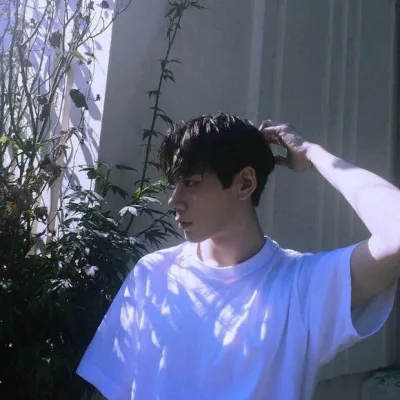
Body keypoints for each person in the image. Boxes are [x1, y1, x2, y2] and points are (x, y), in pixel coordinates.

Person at [77, 112, 400, 400]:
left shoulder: (302, 287)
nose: (174, 201)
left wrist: (313, 153)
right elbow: (108, 389)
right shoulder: (154, 273)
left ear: (244, 183)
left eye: (191, 182)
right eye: (174, 184)